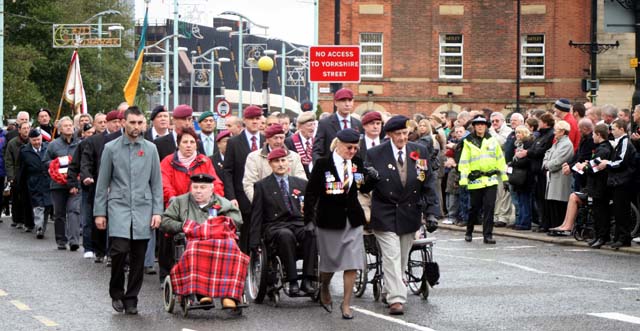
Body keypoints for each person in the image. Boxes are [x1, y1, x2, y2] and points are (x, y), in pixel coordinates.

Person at [366, 116, 440, 315]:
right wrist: (367, 178)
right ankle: (397, 299)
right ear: (389, 134)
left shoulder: (419, 151)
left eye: (405, 133)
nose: (402, 137)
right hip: (385, 211)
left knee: (402, 258)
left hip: (409, 212)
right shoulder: (375, 154)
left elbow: (428, 183)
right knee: (391, 256)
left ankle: (390, 290)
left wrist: (432, 212)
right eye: (398, 134)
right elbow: (363, 186)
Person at [94, 106, 163, 315]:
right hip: (119, 207)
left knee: (138, 256)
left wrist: (157, 211)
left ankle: (132, 297)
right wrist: (100, 212)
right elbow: (102, 181)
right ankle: (116, 291)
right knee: (119, 251)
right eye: (132, 122)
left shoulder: (151, 149)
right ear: (124, 123)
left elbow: (156, 183)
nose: (136, 127)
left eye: (140, 123)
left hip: (143, 207)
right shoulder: (111, 148)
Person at [304, 128, 375, 320]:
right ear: (338, 144)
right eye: (349, 147)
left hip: (353, 219)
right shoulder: (322, 164)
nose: (352, 151)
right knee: (330, 263)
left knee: (352, 263)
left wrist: (372, 179)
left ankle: (346, 304)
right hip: (328, 221)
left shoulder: (356, 163)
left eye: (355, 148)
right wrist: (309, 220)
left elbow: (361, 186)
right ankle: (325, 286)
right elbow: (310, 194)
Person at [160, 173, 246, 309]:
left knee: (233, 249)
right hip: (193, 240)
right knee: (195, 249)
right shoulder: (179, 202)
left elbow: (237, 220)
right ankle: (202, 294)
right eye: (195, 187)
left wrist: (223, 223)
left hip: (218, 240)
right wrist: (182, 226)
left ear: (211, 190)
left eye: (203, 187)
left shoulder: (222, 202)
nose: (198, 191)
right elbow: (165, 221)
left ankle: (229, 295)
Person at [159, 127, 224, 279]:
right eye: (185, 142)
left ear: (196, 144)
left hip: (201, 206)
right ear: (178, 144)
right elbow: (164, 183)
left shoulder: (204, 161)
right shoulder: (168, 161)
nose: (188, 145)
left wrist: (216, 200)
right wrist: (173, 198)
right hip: (176, 205)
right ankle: (166, 273)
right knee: (167, 232)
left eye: (192, 142)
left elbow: (216, 183)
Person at [250, 148, 317, 295]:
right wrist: (254, 242)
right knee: (285, 235)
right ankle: (292, 281)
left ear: (288, 162)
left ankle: (307, 280)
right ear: (270, 164)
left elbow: (311, 209)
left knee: (311, 233)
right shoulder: (262, 186)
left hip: (298, 223)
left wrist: (314, 224)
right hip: (275, 226)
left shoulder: (301, 183)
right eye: (276, 161)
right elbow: (256, 214)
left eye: (283, 160)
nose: (280, 164)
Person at [551, 124, 612, 247]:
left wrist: (584, 166)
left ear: (599, 135)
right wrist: (586, 165)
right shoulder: (600, 148)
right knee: (597, 213)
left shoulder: (603, 149)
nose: (592, 137)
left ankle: (602, 236)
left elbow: (595, 167)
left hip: (599, 187)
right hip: (594, 186)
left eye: (594, 134)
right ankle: (598, 236)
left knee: (600, 214)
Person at [458, 115, 508, 244]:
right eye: (478, 124)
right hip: (475, 180)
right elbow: (464, 162)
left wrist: (505, 177)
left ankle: (488, 235)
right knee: (474, 208)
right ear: (474, 127)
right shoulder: (468, 141)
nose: (480, 126)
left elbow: (500, 160)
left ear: (486, 126)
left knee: (489, 207)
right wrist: (463, 180)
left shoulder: (492, 140)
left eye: (483, 124)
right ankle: (469, 231)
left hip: (491, 179)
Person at [223, 105, 265, 253]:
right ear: (245, 121)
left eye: (258, 118)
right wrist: (231, 196)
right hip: (242, 196)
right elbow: (228, 171)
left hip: (264, 195)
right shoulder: (234, 142)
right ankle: (244, 265)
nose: (255, 122)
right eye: (251, 119)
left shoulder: (266, 140)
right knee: (246, 233)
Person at [596, 119, 637, 249]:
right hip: (617, 181)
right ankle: (619, 237)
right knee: (618, 211)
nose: (611, 132)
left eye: (614, 129)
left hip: (623, 181)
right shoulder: (619, 143)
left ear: (622, 129)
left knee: (622, 211)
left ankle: (624, 238)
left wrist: (607, 163)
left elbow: (621, 162)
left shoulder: (625, 142)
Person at [44, 117, 81, 251]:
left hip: (74, 184)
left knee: (74, 211)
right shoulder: (53, 145)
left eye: (70, 125)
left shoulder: (79, 144)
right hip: (57, 185)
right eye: (65, 125)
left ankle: (74, 241)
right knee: (59, 213)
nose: (69, 127)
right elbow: (45, 161)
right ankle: (61, 240)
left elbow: (84, 161)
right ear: (59, 129)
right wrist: (56, 165)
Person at [243, 124, 306, 202]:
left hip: (290, 203)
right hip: (265, 204)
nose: (279, 141)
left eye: (281, 138)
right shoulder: (254, 157)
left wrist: (297, 201)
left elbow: (301, 180)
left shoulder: (294, 156)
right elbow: (249, 184)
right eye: (275, 138)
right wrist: (259, 203)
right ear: (267, 139)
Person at [516, 113, 555, 231]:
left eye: (541, 121)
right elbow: (534, 149)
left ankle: (545, 224)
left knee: (543, 199)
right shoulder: (541, 136)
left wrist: (527, 153)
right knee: (538, 199)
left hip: (542, 172)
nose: (539, 123)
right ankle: (542, 223)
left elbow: (541, 151)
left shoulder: (549, 135)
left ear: (546, 123)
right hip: (536, 172)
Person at [312, 88, 363, 162]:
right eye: (343, 101)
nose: (347, 104)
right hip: (331, 168)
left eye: (350, 100)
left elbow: (360, 151)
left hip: (352, 168)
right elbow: (317, 150)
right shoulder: (325, 123)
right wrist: (321, 168)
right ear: (336, 103)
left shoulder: (357, 124)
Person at [542, 121, 575, 232]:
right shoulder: (557, 143)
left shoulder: (566, 144)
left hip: (561, 178)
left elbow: (559, 161)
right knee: (553, 204)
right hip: (553, 177)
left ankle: (559, 227)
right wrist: (547, 163)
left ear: (562, 131)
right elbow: (547, 154)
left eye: (556, 130)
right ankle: (553, 226)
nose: (554, 132)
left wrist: (547, 165)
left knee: (559, 204)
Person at [18, 129, 50, 239]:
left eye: (38, 139)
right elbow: (21, 169)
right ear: (30, 140)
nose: (37, 142)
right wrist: (20, 183)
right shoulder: (24, 151)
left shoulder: (48, 148)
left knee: (47, 205)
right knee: (38, 205)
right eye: (34, 140)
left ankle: (42, 226)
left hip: (47, 181)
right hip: (33, 182)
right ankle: (39, 227)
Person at [5, 121, 33, 230]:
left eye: (28, 128)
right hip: (17, 174)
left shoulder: (33, 141)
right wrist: (11, 177)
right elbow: (9, 161)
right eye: (24, 128)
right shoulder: (12, 143)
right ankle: (17, 219)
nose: (26, 130)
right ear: (19, 130)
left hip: (29, 175)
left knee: (28, 199)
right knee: (17, 198)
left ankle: (28, 221)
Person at [509, 125, 535, 230]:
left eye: (519, 133)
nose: (517, 135)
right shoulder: (518, 145)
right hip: (518, 177)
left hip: (525, 177)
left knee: (524, 200)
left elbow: (526, 160)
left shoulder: (528, 144)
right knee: (519, 200)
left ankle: (525, 222)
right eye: (516, 133)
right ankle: (520, 221)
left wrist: (514, 163)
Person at [285, 111, 316, 178]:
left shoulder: (317, 142)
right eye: (309, 125)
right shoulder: (289, 142)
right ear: (300, 127)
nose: (312, 128)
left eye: (314, 124)